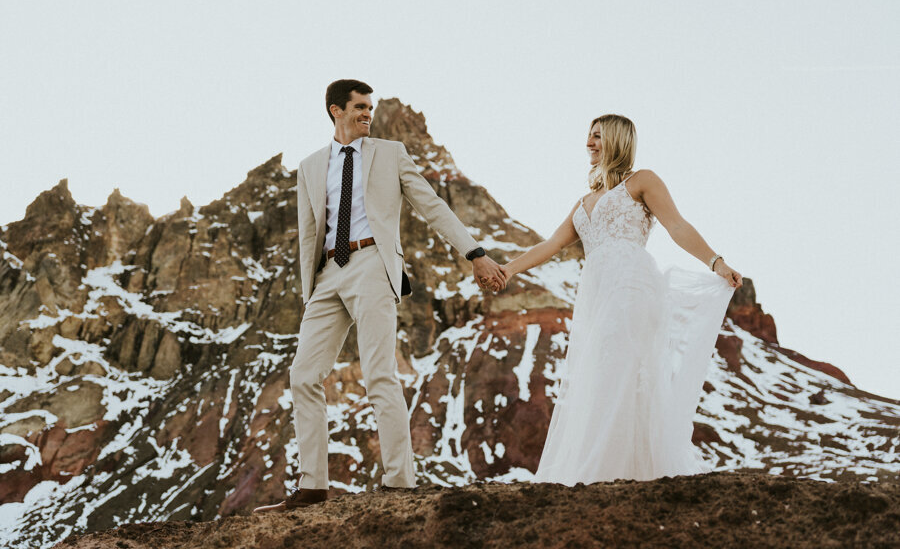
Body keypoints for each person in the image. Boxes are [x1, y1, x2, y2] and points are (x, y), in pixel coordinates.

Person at [255, 80, 506, 512]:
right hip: (327, 275)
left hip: (373, 263)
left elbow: (431, 205)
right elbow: (309, 233)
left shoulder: (390, 154)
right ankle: (313, 485)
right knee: (303, 375)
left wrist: (475, 253)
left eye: (370, 107)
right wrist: (309, 291)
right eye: (358, 107)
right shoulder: (311, 166)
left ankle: (400, 482)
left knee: (378, 373)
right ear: (335, 110)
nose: (367, 114)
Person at [499, 114, 742, 484]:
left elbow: (677, 225)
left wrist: (716, 262)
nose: (589, 143)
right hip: (597, 295)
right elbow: (551, 244)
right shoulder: (583, 202)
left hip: (632, 286)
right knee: (601, 373)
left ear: (616, 140)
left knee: (623, 372)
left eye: (597, 136)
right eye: (588, 136)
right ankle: (618, 472)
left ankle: (610, 472)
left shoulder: (642, 180)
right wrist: (508, 270)